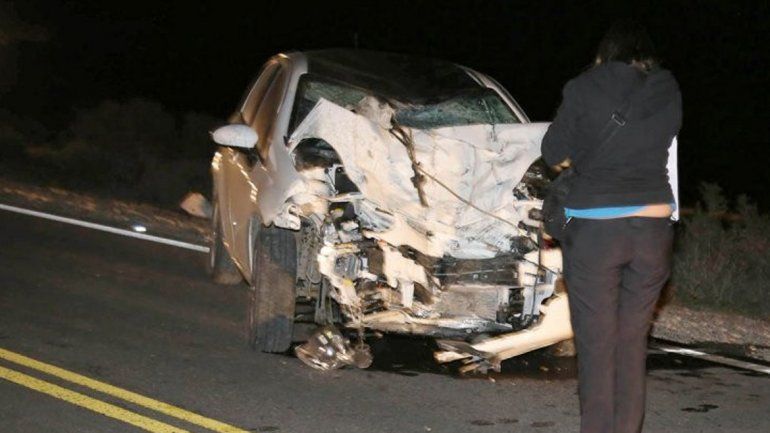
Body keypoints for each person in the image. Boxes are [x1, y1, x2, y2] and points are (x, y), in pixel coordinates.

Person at [541, 20, 682, 433]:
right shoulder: (667, 88)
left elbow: (553, 151)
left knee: (597, 345)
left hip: (597, 231)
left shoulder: (585, 86)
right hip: (654, 229)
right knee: (631, 343)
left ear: (605, 53)